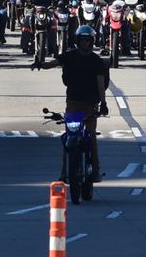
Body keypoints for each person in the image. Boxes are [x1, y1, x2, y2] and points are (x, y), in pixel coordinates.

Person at [33, 25, 110, 181]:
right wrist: (40, 64)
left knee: (91, 137)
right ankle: (64, 171)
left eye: (88, 41)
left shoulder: (97, 61)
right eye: (82, 40)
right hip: (73, 102)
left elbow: (101, 83)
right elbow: (53, 63)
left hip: (90, 105)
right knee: (69, 137)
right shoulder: (70, 56)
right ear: (77, 41)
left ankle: (95, 170)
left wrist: (103, 103)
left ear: (92, 41)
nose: (85, 43)